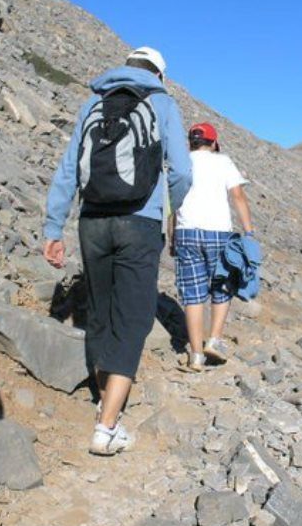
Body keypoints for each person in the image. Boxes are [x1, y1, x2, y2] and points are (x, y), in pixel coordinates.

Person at [43, 47, 191, 456]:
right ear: (160, 76)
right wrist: (169, 210)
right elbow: (182, 171)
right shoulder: (162, 103)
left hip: (92, 220)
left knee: (100, 311)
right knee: (134, 318)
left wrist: (53, 227)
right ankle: (107, 426)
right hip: (139, 222)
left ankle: (104, 395)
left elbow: (68, 168)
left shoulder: (94, 101)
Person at [171, 122, 254, 371]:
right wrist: (249, 232)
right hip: (218, 232)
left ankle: (196, 355)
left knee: (193, 295)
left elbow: (174, 201)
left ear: (190, 142)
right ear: (214, 142)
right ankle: (214, 340)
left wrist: (172, 235)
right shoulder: (223, 162)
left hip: (186, 232)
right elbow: (238, 196)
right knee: (223, 286)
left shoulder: (180, 162)